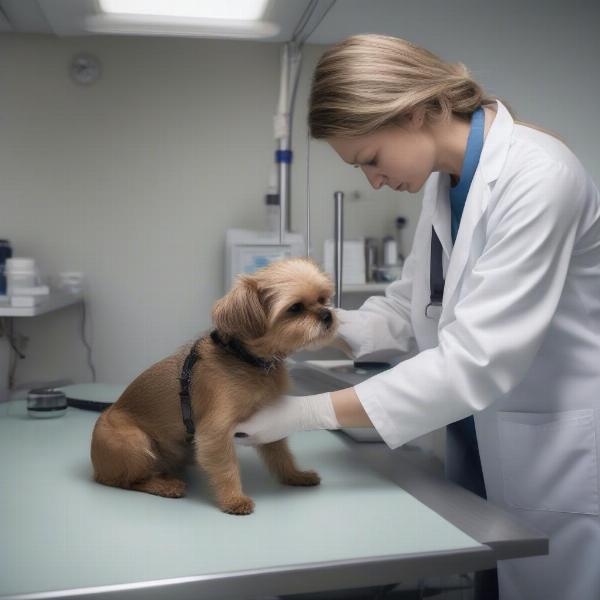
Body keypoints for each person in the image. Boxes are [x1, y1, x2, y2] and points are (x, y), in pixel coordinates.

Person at [234, 34, 600, 600]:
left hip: (553, 443)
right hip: (479, 434)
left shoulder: (539, 176)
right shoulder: (445, 185)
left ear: (412, 113)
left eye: (370, 160)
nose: (373, 180)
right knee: (491, 580)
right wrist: (311, 322)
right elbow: (409, 309)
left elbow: (475, 362)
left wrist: (303, 414)